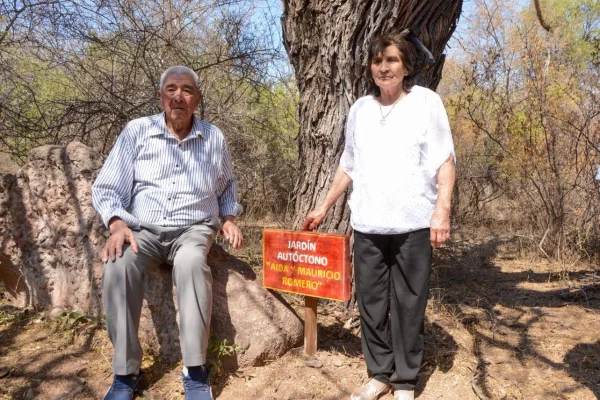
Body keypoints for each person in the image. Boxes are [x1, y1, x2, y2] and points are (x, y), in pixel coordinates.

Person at [303, 32, 456, 400]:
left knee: (408, 304)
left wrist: (442, 212)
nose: (383, 68)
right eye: (377, 61)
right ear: (370, 68)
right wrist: (324, 205)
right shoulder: (360, 110)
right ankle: (379, 374)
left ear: (405, 66)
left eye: (391, 60)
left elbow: (445, 162)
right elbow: (349, 165)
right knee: (370, 303)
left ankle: (404, 380)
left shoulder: (425, 102)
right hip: (369, 224)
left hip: (414, 223)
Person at [92, 66, 243, 400]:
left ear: (197, 99)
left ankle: (195, 371)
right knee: (117, 265)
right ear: (161, 96)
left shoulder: (213, 137)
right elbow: (106, 187)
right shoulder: (136, 132)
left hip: (193, 229)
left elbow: (227, 186)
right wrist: (117, 224)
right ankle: (125, 373)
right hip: (141, 230)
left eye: (187, 90)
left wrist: (229, 217)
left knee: (191, 265)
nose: (179, 96)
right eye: (171, 89)